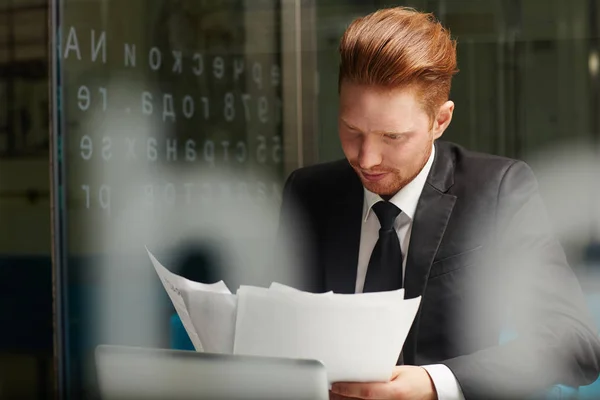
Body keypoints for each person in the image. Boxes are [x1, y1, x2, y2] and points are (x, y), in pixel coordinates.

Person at [278, 6, 600, 400]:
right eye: (351, 130)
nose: (366, 159)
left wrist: (434, 384)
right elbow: (279, 329)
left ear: (440, 121)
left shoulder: (498, 190)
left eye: (392, 137)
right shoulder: (309, 193)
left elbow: (576, 343)